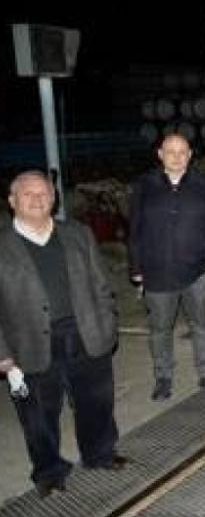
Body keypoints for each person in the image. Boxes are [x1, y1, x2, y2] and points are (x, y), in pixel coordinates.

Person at [1, 171, 128, 497]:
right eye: (27, 194)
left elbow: (101, 284)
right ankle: (49, 471)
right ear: (12, 201)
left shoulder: (77, 234)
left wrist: (108, 324)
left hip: (85, 331)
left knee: (96, 401)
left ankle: (99, 453)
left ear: (54, 198)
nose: (37, 199)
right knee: (39, 414)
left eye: (44, 193)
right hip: (29, 341)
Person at [128, 133, 205, 400]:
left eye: (182, 151)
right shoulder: (145, 185)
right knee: (160, 328)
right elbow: (134, 228)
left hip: (198, 272)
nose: (176, 156)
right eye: (170, 151)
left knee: (201, 325)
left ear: (190, 154)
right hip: (156, 271)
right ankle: (163, 377)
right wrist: (136, 267)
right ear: (160, 154)